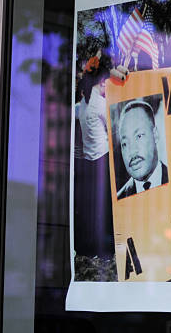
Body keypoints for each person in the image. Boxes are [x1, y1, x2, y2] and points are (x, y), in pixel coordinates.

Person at [75, 52, 114, 258]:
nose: (108, 87)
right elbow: (111, 130)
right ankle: (105, 246)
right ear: (101, 82)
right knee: (106, 207)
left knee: (94, 207)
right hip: (103, 158)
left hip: (90, 159)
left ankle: (93, 245)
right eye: (106, 83)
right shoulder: (100, 104)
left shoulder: (84, 104)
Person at [116, 100, 169, 199]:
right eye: (125, 144)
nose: (132, 152)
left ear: (155, 135)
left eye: (139, 136)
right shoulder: (120, 199)